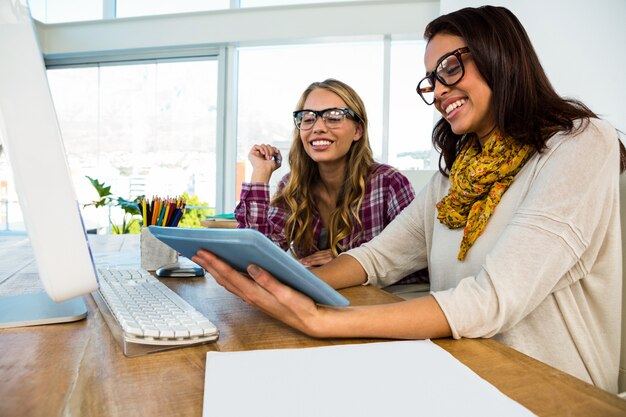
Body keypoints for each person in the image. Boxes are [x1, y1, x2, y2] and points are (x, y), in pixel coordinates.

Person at [193, 6, 624, 393]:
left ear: (501, 55)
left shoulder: (581, 144)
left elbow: (492, 298)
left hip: (550, 389)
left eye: (450, 69)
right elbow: (377, 257)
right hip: (460, 369)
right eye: (431, 81)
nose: (437, 92)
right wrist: (281, 280)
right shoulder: (453, 179)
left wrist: (323, 320)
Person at [235, 79, 424, 285]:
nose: (318, 128)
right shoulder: (292, 187)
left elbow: (409, 257)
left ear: (358, 131)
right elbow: (256, 257)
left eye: (334, 117)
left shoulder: (388, 183)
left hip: (386, 301)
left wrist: (349, 264)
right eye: (308, 119)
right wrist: (260, 174)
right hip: (322, 298)